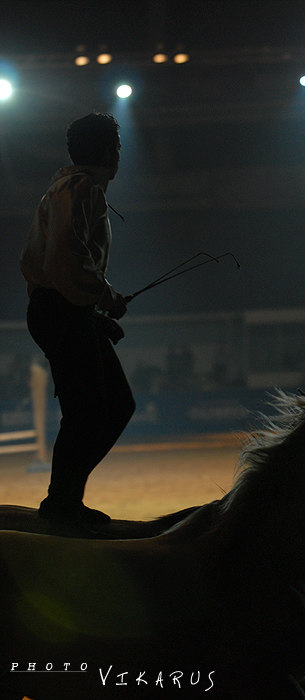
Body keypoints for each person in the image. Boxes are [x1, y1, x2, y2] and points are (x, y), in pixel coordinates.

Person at [20, 112, 135, 526]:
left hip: (63, 311)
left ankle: (65, 497)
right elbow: (66, 261)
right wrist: (106, 298)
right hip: (59, 311)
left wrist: (96, 314)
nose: (120, 155)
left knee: (114, 405)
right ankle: (63, 502)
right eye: (118, 148)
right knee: (91, 410)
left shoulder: (69, 186)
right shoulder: (81, 189)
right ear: (108, 152)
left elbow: (64, 266)